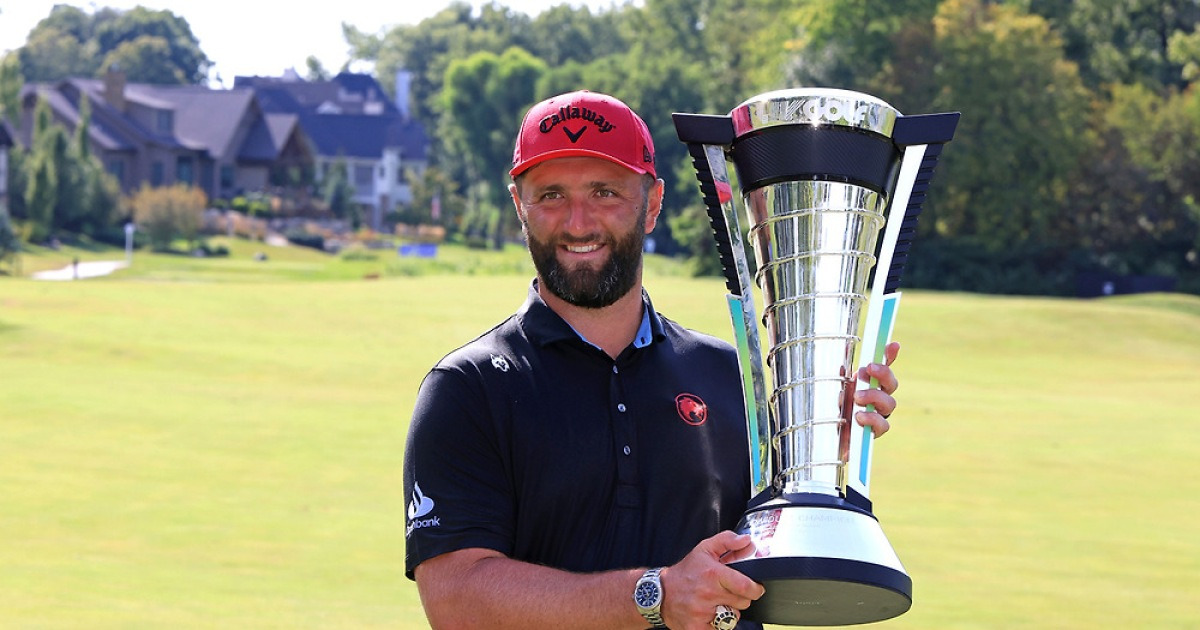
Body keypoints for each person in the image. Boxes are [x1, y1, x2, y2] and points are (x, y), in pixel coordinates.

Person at [404, 90, 901, 630]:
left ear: (654, 203)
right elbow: (455, 599)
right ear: (519, 205)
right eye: (550, 195)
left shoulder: (733, 379)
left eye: (605, 192)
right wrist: (655, 595)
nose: (577, 223)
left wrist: (818, 446)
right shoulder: (468, 387)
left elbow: (774, 564)